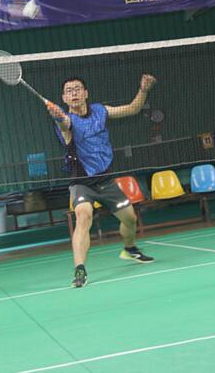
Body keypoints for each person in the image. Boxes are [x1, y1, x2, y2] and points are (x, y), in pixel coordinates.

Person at [46, 75, 156, 288]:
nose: (74, 93)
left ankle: (130, 249)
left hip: (106, 180)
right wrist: (58, 117)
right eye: (69, 91)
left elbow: (133, 109)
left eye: (77, 88)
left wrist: (143, 90)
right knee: (83, 216)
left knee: (130, 219)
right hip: (82, 182)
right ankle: (80, 269)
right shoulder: (66, 120)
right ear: (64, 98)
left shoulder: (100, 111)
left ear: (86, 93)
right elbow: (64, 124)